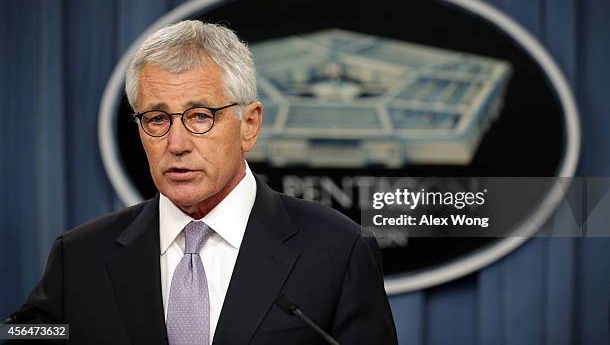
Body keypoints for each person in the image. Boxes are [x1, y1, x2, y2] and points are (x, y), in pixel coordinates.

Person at [8, 20, 398, 344]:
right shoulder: (80, 257)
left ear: (249, 124)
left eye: (200, 116)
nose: (176, 144)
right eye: (157, 119)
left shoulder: (337, 251)